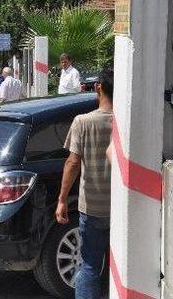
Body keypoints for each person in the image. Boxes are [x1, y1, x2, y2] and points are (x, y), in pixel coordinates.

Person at [55, 69, 114, 299]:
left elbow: (72, 163)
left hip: (92, 207)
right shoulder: (125, 122)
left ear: (98, 86)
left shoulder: (83, 121)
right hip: (121, 208)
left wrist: (61, 200)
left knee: (89, 265)